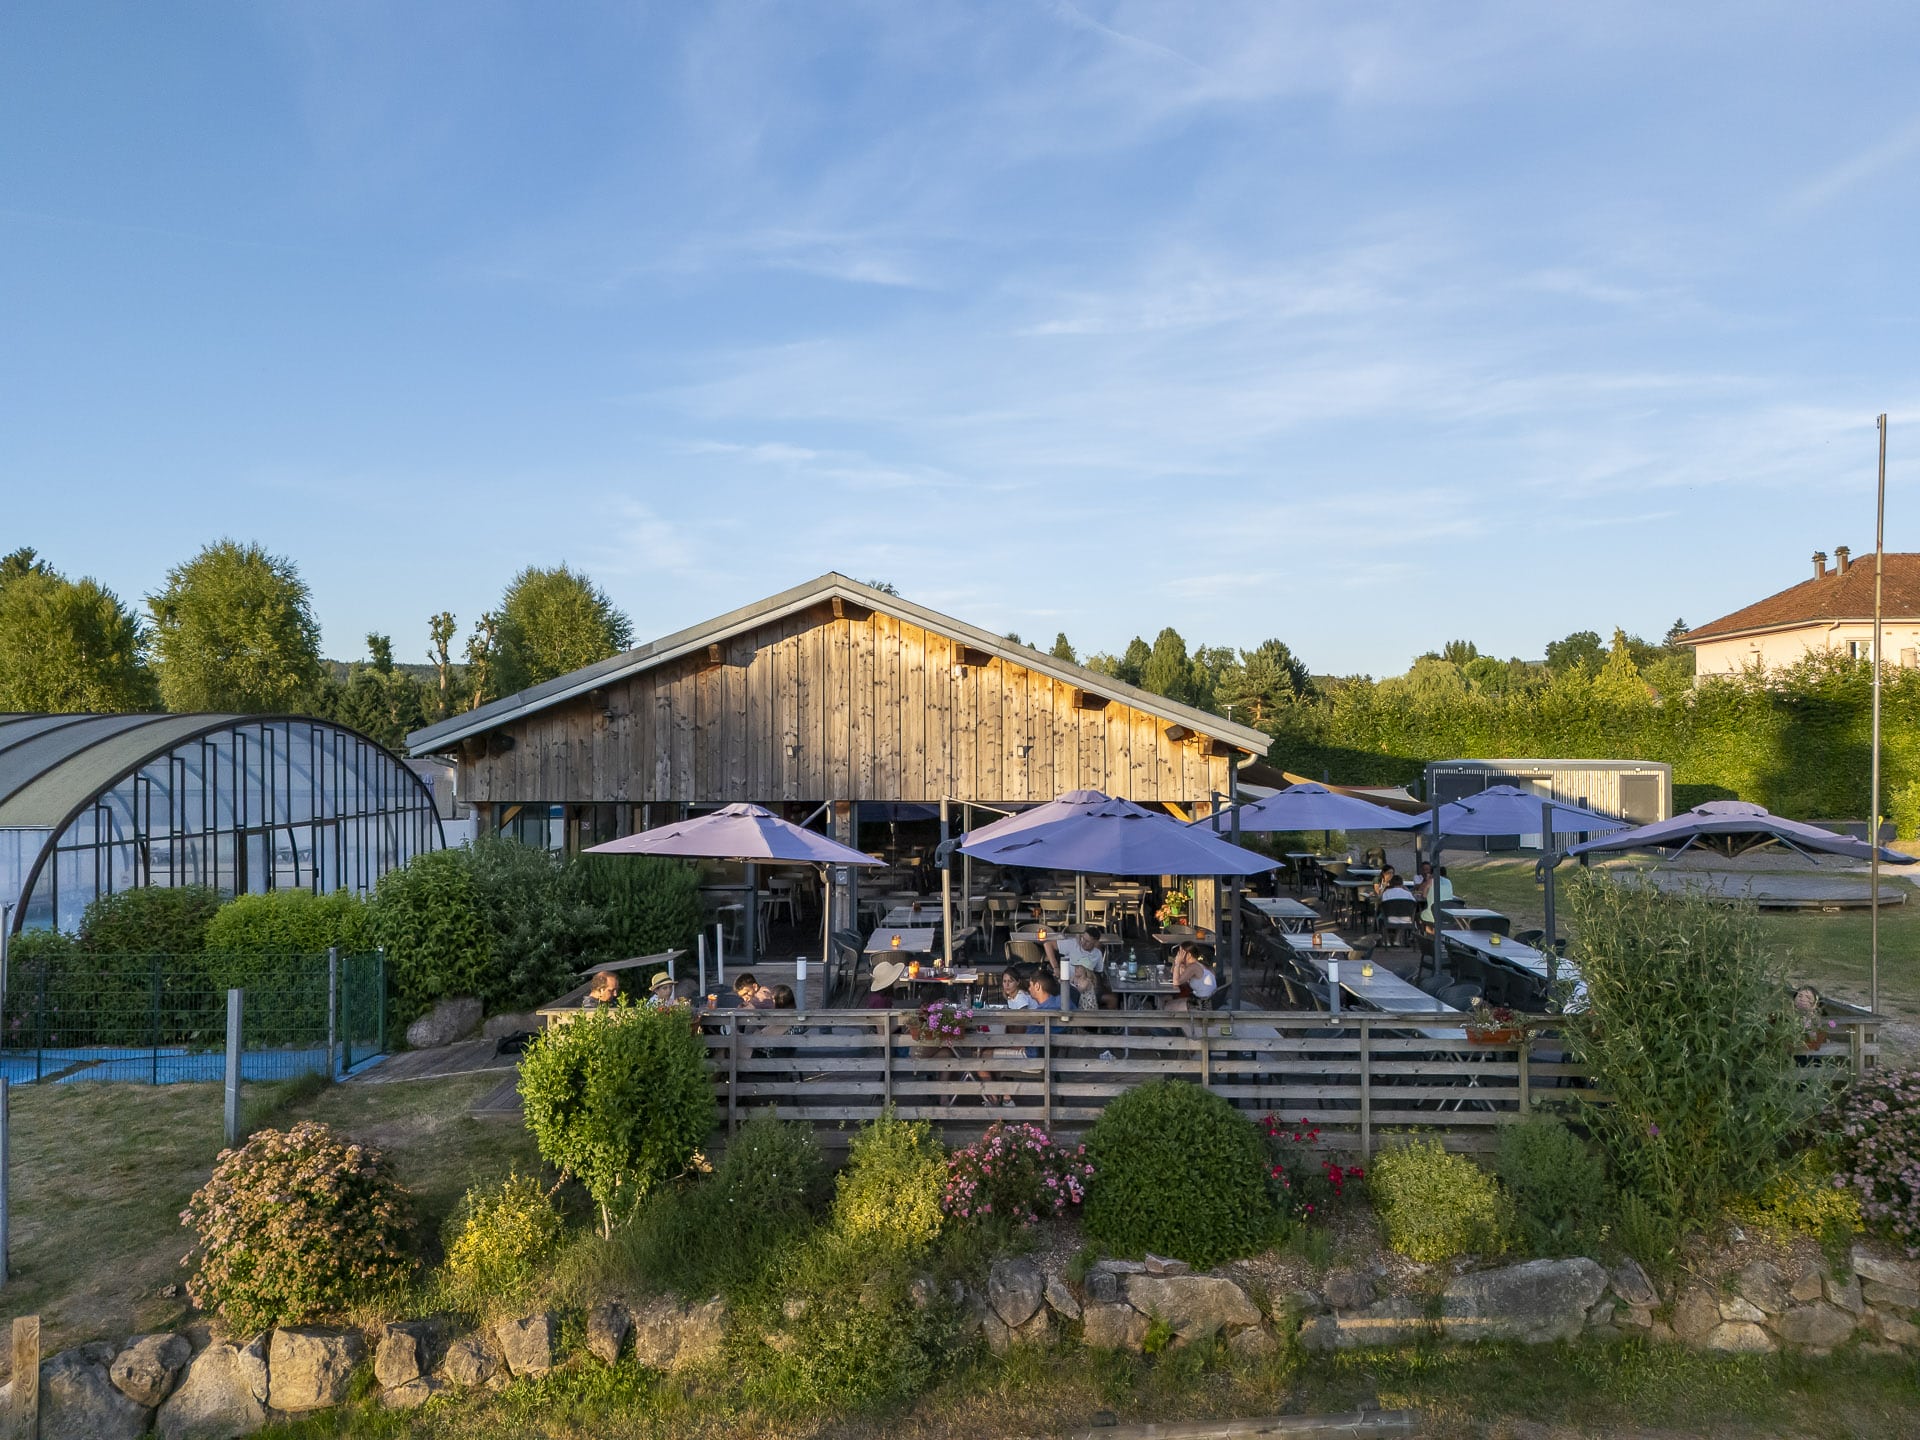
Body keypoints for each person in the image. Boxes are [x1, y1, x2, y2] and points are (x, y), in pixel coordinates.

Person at [1167, 942, 1217, 1012]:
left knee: (1167, 1006)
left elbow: (1176, 982)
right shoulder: (1201, 964)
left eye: (1180, 953)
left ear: (1189, 955)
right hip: (1207, 1001)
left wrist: (1178, 963)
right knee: (1168, 999)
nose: (1178, 955)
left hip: (1202, 1005)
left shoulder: (1194, 967)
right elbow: (1177, 975)